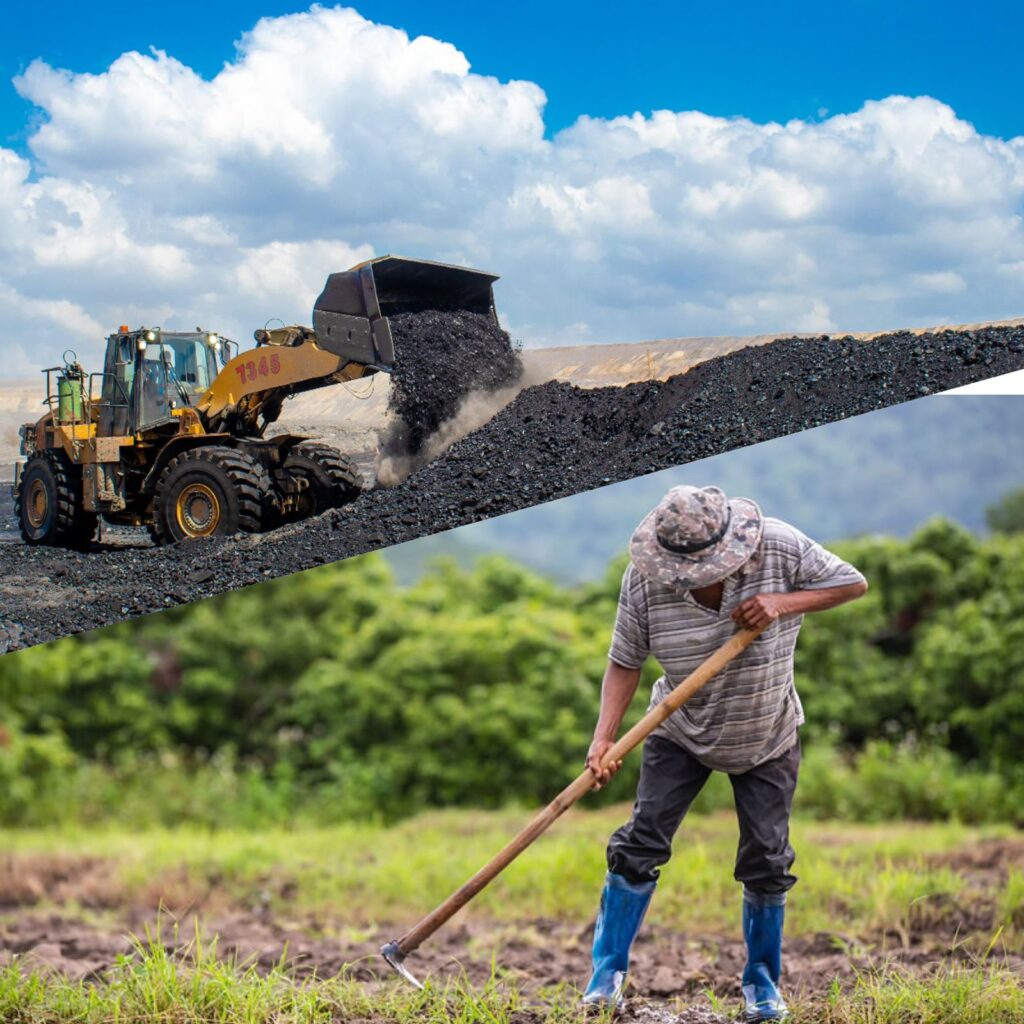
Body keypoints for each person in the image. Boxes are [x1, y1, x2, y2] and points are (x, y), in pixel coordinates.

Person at [582, 485, 868, 1021]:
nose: (691, 580)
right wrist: (604, 738)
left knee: (766, 858)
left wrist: (782, 603)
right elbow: (625, 660)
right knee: (640, 843)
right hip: (679, 727)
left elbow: (852, 583)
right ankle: (606, 979)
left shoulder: (779, 547)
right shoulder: (645, 580)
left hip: (767, 730)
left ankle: (762, 987)